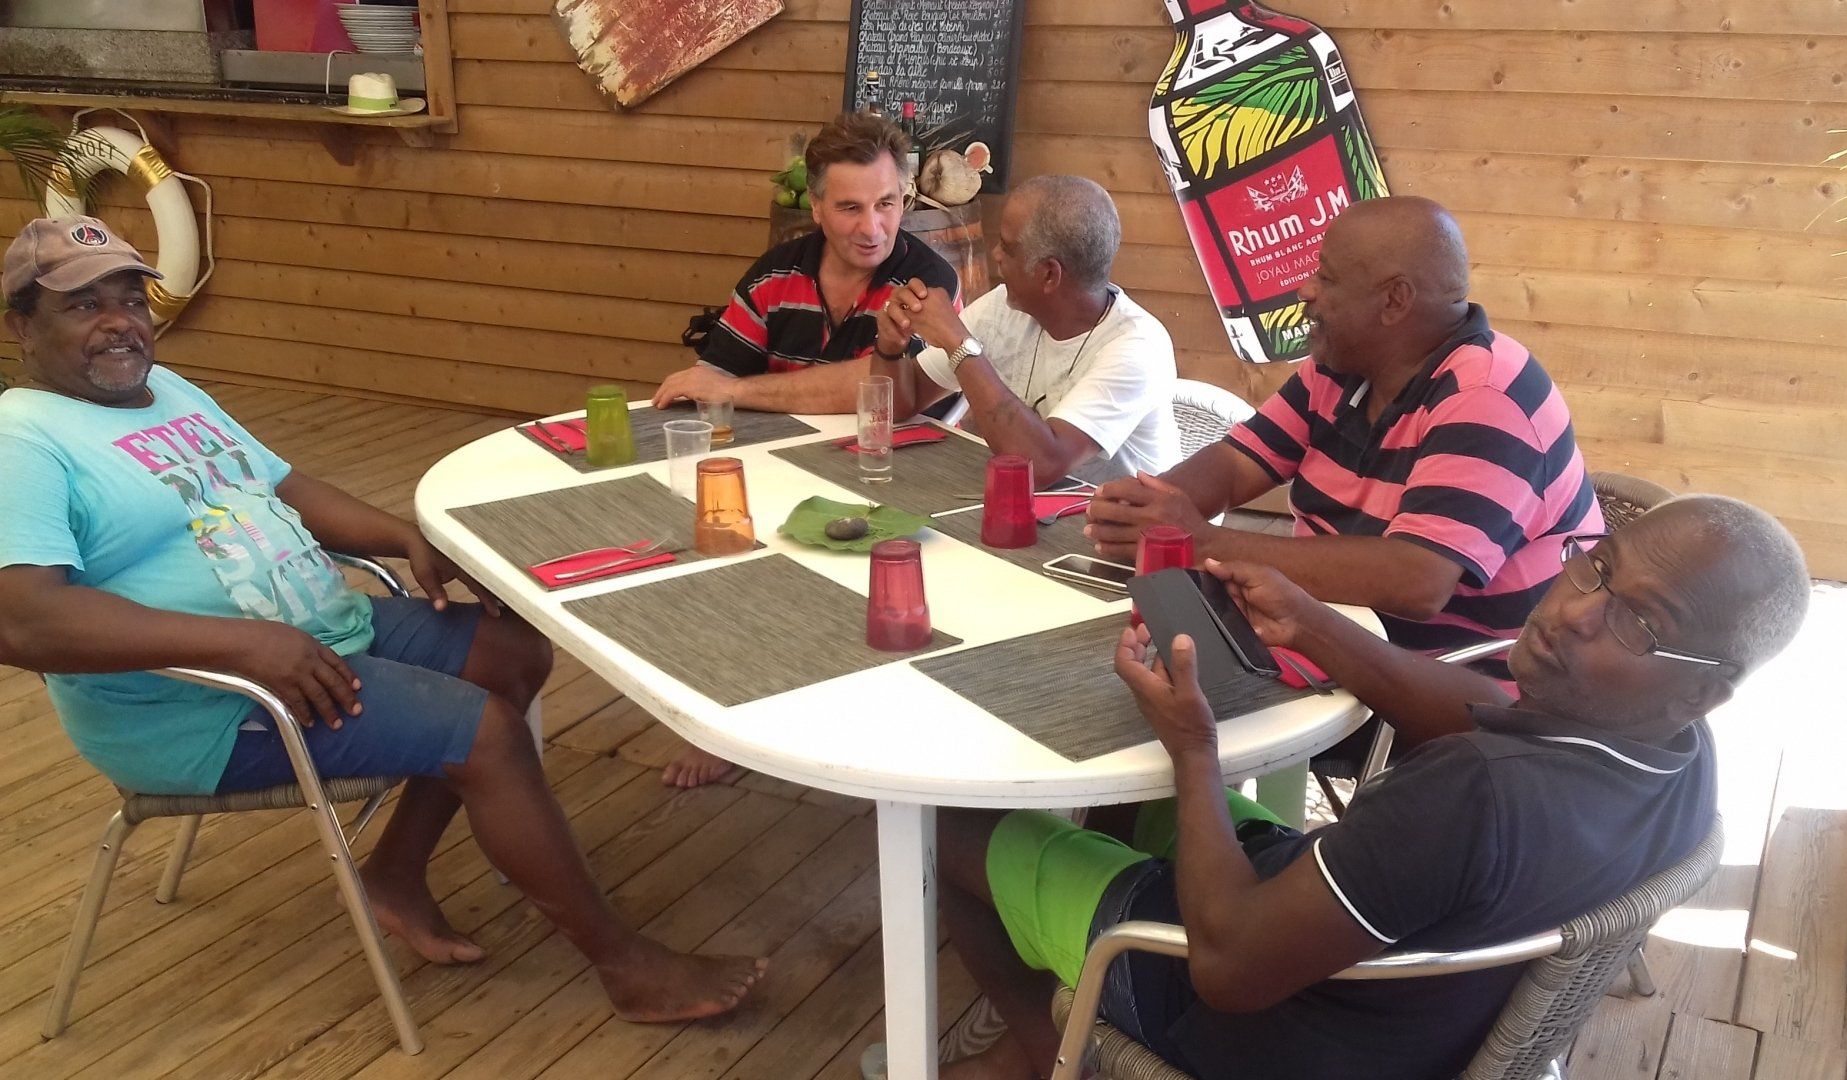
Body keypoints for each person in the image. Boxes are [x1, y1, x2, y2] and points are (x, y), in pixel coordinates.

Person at [0, 217, 765, 1022]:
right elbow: (23, 624)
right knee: (486, 733)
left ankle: (395, 872)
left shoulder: (170, 392)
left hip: (313, 637)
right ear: (22, 327)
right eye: (83, 305)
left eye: (131, 300)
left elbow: (286, 489)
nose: (119, 322)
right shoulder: (24, 442)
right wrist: (244, 643)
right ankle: (628, 967)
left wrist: (407, 538)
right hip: (203, 707)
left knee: (509, 650)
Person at [932, 494, 1808, 1079]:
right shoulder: (1675, 748)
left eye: (1640, 622)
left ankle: (1047, 1049)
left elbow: (1228, 969)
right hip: (1398, 1004)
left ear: (1703, 688)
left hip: (1271, 1030)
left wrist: (1195, 747)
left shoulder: (1472, 799)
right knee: (1141, 789)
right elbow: (1484, 707)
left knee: (958, 831)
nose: (1575, 611)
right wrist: (1309, 621)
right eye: (1599, 567)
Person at [1083, 196, 1601, 655]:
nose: (1304, 289)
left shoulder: (1488, 397)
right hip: (1328, 636)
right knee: (1136, 664)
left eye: (1327, 278)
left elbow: (1417, 580)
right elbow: (1239, 463)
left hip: (1458, 685)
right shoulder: (1343, 365)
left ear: (1394, 300)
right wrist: (1148, 509)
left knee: (1159, 692)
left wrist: (1202, 542)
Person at [876, 174, 1179, 488]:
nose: (995, 254)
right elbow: (899, 404)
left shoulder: (1138, 347)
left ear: (1049, 274)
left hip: (1109, 516)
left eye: (1008, 248)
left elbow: (1040, 466)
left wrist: (958, 343)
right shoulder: (1001, 307)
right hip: (1018, 504)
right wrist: (890, 344)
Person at [648, 111, 959, 417]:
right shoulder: (772, 275)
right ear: (815, 205)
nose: (871, 228)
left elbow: (885, 387)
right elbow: (712, 379)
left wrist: (736, 391)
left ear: (903, 200)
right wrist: (717, 387)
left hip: (896, 450)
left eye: (885, 204)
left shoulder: (929, 282)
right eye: (850, 208)